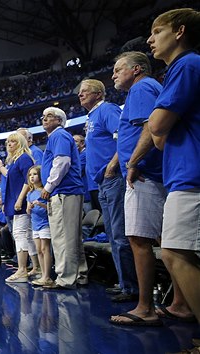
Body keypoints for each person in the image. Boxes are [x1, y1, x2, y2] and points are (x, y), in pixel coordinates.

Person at [147, 8, 200, 334]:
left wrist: (158, 124)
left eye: (157, 31)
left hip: (191, 175)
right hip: (185, 171)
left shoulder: (186, 64)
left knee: (174, 253)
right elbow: (160, 140)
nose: (151, 39)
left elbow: (156, 127)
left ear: (179, 31)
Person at [108, 51, 167, 326]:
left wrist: (133, 161)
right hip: (148, 173)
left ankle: (145, 308)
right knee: (161, 242)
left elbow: (150, 128)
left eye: (119, 69)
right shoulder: (144, 87)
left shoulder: (142, 87)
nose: (114, 74)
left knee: (139, 239)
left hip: (144, 175)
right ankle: (178, 302)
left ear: (137, 69)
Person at [79, 78, 137, 301]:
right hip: (102, 183)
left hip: (113, 179)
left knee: (120, 234)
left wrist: (113, 165)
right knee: (113, 235)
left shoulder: (107, 109)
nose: (80, 95)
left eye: (85, 91)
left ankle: (131, 288)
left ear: (98, 93)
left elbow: (124, 135)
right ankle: (124, 283)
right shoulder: (91, 116)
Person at [39, 107, 88, 290]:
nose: (44, 119)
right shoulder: (58, 136)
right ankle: (80, 275)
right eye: (43, 116)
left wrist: (48, 186)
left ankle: (65, 279)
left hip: (64, 191)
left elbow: (62, 162)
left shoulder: (59, 135)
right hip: (68, 191)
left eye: (49, 116)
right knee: (73, 237)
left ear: (59, 120)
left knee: (63, 236)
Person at [0, 133, 38, 283]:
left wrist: (19, 199)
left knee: (20, 234)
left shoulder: (24, 157)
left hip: (22, 202)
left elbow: (28, 179)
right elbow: (13, 177)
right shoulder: (15, 160)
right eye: (8, 142)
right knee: (28, 235)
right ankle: (35, 267)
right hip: (16, 201)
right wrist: (0, 168)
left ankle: (22, 270)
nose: (10, 144)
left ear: (20, 143)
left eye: (13, 141)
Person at [26, 165, 53, 287]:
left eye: (35, 174)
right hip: (35, 224)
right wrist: (29, 207)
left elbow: (51, 208)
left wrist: (40, 205)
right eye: (30, 175)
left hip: (45, 224)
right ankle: (43, 274)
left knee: (45, 249)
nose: (32, 177)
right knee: (38, 250)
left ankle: (47, 276)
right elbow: (28, 211)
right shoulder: (30, 193)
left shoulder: (45, 191)